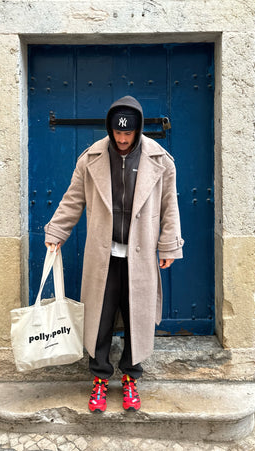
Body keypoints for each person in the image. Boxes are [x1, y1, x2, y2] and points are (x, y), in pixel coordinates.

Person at [44, 95, 184, 413]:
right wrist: (56, 233)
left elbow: (169, 207)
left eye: (128, 133)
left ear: (137, 130)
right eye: (118, 133)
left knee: (138, 316)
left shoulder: (161, 161)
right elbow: (72, 199)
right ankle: (100, 379)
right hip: (103, 257)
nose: (122, 139)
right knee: (100, 319)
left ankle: (131, 378)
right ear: (110, 128)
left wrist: (169, 245)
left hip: (142, 256)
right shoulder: (90, 158)